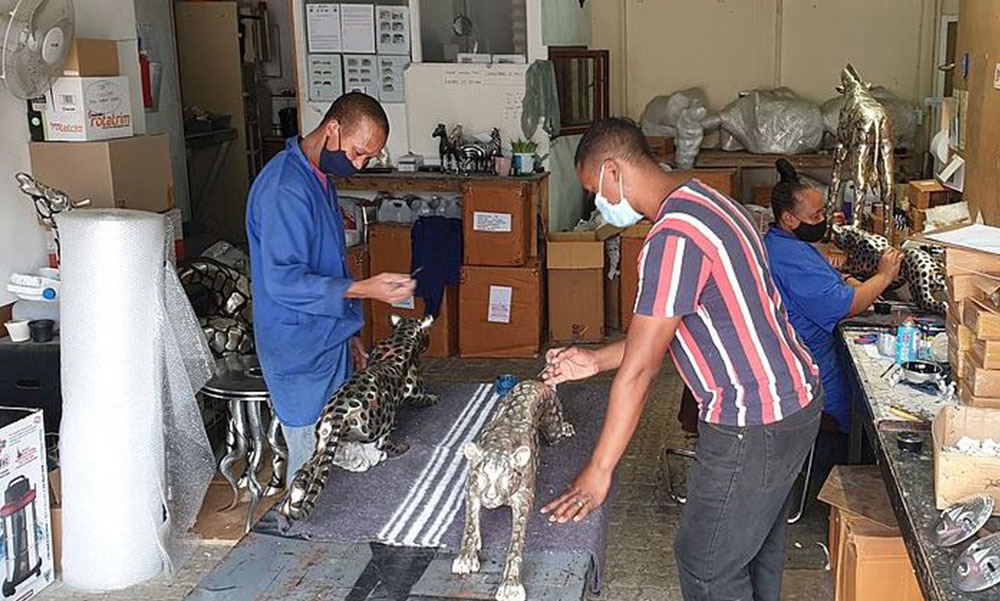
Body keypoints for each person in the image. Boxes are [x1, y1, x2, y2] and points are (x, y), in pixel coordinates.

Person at [541, 118, 822, 601]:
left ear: (613, 172)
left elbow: (641, 370)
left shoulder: (675, 238)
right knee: (752, 552)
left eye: (594, 191)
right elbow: (666, 331)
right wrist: (594, 361)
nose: (598, 203)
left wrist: (599, 470)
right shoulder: (708, 201)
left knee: (706, 564)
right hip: (792, 404)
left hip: (752, 420)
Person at [247, 92, 416, 478]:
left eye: (368, 159)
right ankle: (304, 520)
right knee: (311, 468)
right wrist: (365, 289)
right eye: (357, 153)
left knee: (338, 462)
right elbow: (284, 281)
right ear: (333, 128)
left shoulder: (319, 178)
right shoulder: (285, 188)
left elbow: (329, 263)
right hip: (299, 351)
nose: (358, 165)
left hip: (328, 338)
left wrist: (349, 333)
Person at [763, 159, 902, 493]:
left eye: (823, 213)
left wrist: (850, 279)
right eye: (815, 217)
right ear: (788, 219)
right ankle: (837, 475)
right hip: (811, 365)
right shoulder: (788, 257)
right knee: (860, 415)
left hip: (808, 353)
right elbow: (845, 305)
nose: (823, 222)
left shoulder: (786, 244)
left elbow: (831, 282)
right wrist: (883, 276)